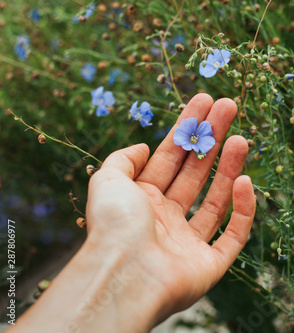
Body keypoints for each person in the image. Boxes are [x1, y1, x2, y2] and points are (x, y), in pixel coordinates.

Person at [7, 94, 256, 332]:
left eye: (194, 140)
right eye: (192, 139)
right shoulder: (187, 139)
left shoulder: (197, 139)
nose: (193, 141)